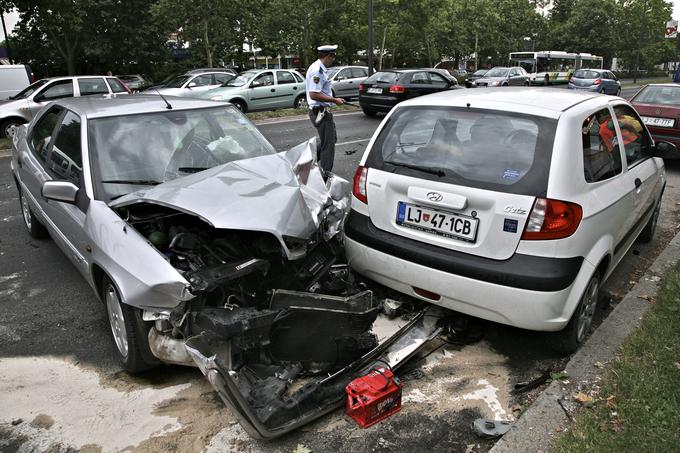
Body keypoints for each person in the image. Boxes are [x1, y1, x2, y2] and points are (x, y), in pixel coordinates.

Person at [305, 44, 345, 178]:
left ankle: (307, 161)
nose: (333, 59)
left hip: (322, 110)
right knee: (329, 145)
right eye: (333, 56)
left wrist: (333, 100)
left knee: (331, 139)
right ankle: (325, 175)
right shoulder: (318, 70)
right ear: (328, 56)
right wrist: (334, 100)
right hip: (320, 112)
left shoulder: (319, 68)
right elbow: (314, 94)